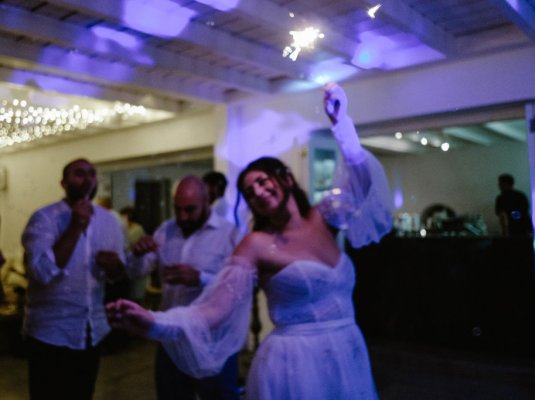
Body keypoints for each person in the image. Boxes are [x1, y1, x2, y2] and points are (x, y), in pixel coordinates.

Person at [106, 83, 393, 399]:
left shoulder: (325, 217)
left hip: (346, 350)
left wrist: (342, 127)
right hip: (294, 364)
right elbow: (214, 310)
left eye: (261, 181)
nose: (257, 192)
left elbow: (366, 188)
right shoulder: (256, 244)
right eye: (249, 193)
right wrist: (154, 321)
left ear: (284, 177)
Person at [127, 175, 243, 400]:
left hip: (214, 341)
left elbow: (240, 289)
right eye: (177, 209)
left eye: (190, 210)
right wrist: (137, 254)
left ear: (207, 201)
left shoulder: (229, 235)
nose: (182, 216)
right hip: (172, 338)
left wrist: (200, 278)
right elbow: (136, 272)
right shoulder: (165, 230)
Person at [21, 158, 126, 400]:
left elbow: (119, 273)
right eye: (79, 174)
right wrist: (76, 225)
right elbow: (42, 272)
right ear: (63, 183)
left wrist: (114, 267)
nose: (88, 179)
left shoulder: (108, 220)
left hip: (92, 329)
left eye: (92, 173)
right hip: (51, 332)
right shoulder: (44, 219)